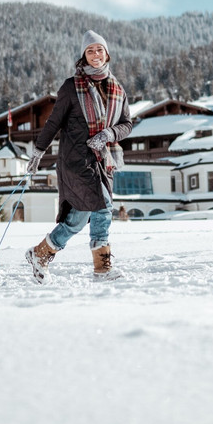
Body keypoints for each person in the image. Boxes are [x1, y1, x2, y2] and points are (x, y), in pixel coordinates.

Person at [24, 30, 133, 283]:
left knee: (79, 217)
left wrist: (108, 134)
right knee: (104, 206)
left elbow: (127, 123)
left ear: (107, 53)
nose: (95, 55)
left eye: (100, 50)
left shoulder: (116, 88)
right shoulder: (71, 86)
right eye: (90, 51)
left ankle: (41, 253)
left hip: (103, 159)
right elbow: (53, 123)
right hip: (76, 160)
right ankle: (102, 269)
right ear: (83, 56)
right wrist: (39, 152)